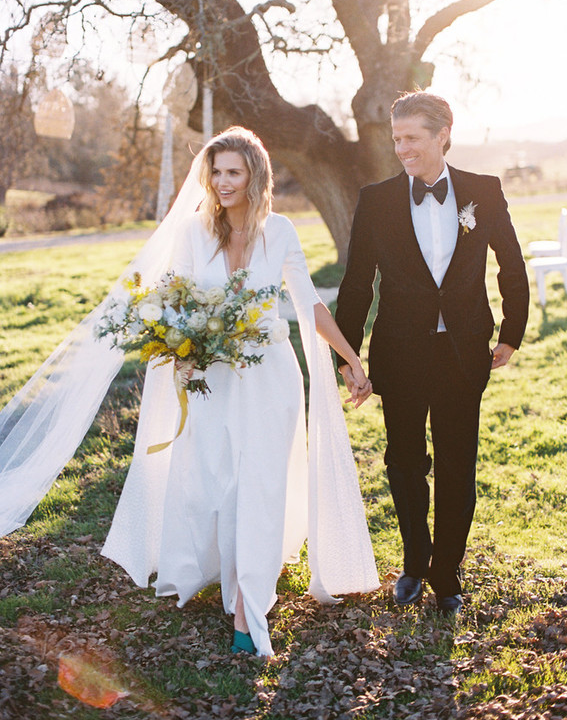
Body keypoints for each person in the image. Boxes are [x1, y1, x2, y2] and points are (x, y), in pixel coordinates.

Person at [0, 126, 379, 658]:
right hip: (209, 378)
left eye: (234, 172)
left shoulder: (283, 231)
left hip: (269, 376)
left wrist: (348, 355)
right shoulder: (194, 234)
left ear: (255, 175)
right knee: (217, 483)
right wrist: (182, 343)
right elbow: (171, 301)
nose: (223, 183)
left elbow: (310, 303)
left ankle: (248, 606)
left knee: (260, 483)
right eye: (216, 172)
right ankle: (215, 566)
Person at [335, 91, 529, 615]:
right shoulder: (375, 199)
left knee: (457, 462)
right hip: (398, 352)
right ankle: (415, 561)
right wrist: (347, 357)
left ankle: (448, 571)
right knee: (403, 461)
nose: (402, 149)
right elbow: (357, 284)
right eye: (396, 139)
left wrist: (512, 331)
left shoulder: (483, 192)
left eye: (412, 138)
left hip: (465, 351)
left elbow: (510, 264)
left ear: (443, 134)